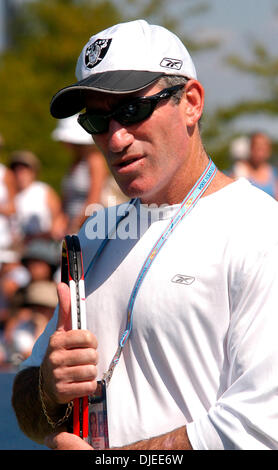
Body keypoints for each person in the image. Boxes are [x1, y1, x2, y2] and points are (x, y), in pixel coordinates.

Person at [12, 20, 278, 450]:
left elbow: (261, 427)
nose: (115, 137)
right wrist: (47, 385)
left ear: (191, 102)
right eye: (96, 120)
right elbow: (29, 412)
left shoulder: (260, 229)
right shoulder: (95, 233)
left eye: (132, 110)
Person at [52, 115, 109, 234]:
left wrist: (74, 226)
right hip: (74, 227)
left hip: (90, 227)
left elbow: (94, 201)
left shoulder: (95, 161)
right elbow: (66, 198)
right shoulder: (75, 162)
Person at [9, 150, 66, 241]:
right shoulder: (10, 193)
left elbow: (59, 216)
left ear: (33, 172)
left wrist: (47, 235)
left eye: (23, 170)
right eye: (16, 170)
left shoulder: (43, 190)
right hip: (15, 246)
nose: (19, 174)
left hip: (43, 243)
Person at [244, 131, 278, 199]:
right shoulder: (240, 171)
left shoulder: (274, 174)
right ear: (250, 148)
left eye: (263, 148)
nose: (260, 153)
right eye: (257, 148)